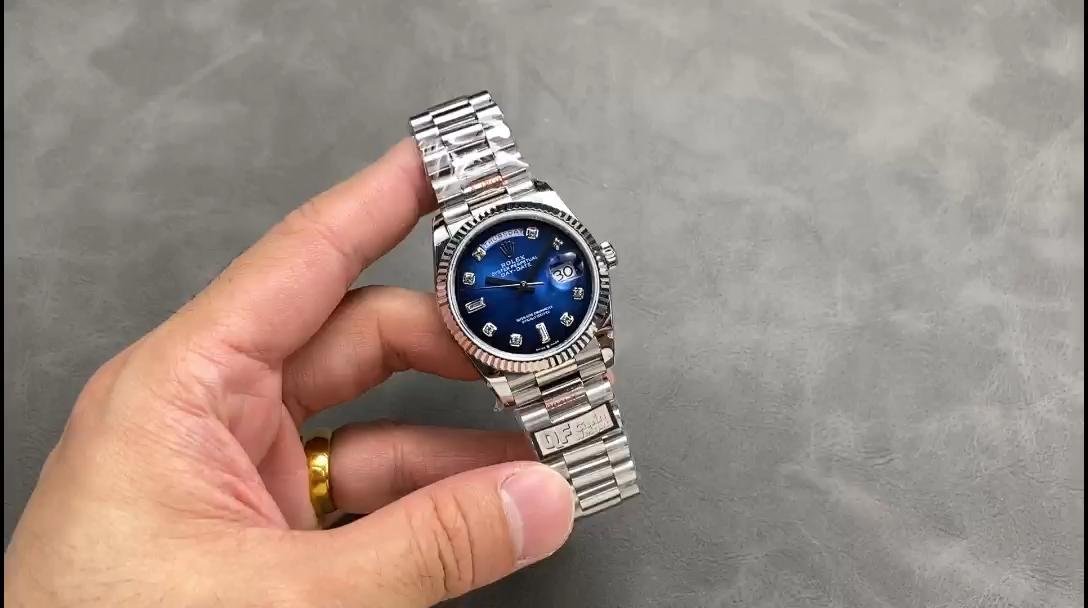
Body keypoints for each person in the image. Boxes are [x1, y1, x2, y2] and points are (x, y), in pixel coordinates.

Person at [3, 140, 576, 607]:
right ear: (454, 303)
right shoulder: (469, 273)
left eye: (533, 278)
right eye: (510, 283)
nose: (526, 285)